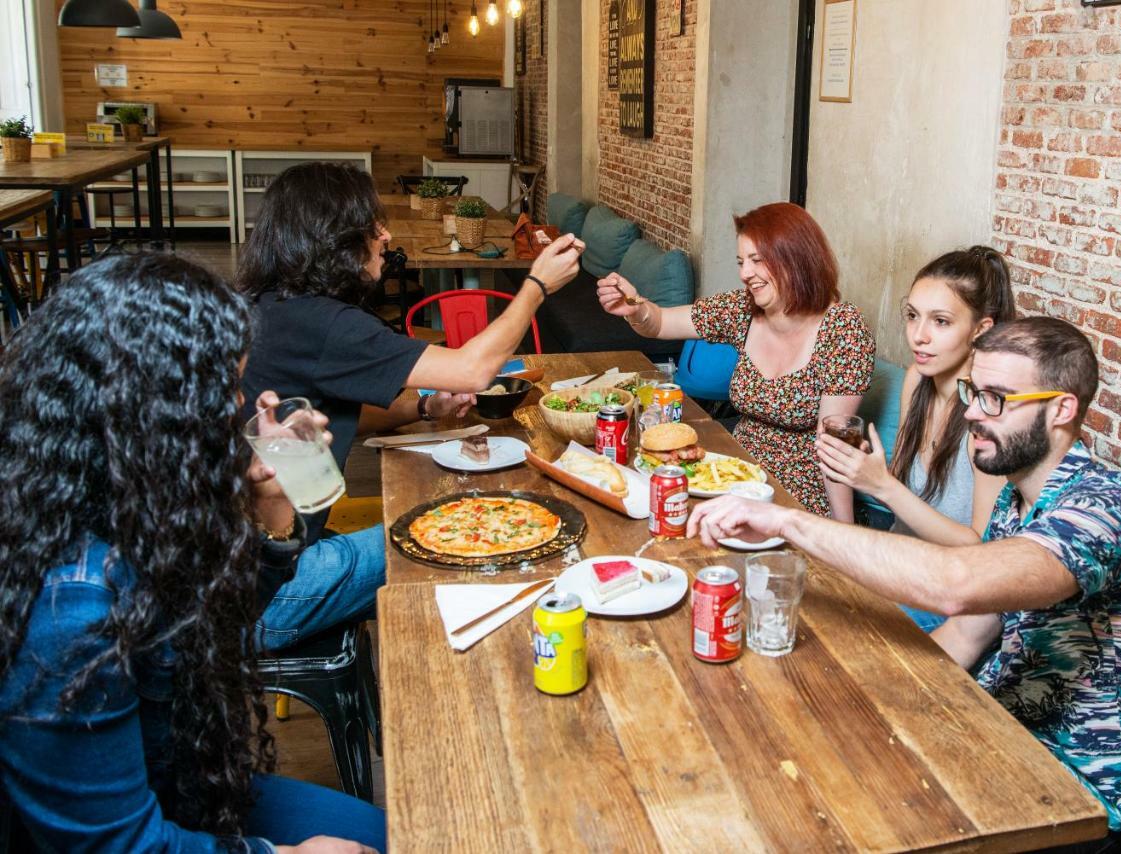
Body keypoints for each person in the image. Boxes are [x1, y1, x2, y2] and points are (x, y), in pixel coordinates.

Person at [689, 317, 1121, 848]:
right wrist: (863, 697)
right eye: (975, 392)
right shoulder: (1019, 501)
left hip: (1085, 786)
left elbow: (956, 584)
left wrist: (789, 521)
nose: (971, 412)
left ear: (1061, 409)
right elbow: (968, 632)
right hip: (1002, 730)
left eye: (996, 398)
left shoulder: (1108, 507)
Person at [0, 254, 383, 853]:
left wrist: (270, 511)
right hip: (146, 822)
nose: (239, 406)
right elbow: (116, 846)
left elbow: (208, 643)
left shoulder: (123, 498)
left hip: (183, 786)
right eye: (225, 388)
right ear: (154, 413)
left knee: (392, 832)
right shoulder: (69, 607)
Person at [237, 162, 584, 650]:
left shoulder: (277, 306)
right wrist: (537, 286)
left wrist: (420, 410)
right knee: (484, 541)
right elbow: (474, 369)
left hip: (251, 566)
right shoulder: (323, 323)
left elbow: (326, 419)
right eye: (371, 224)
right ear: (334, 237)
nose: (385, 234)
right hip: (271, 592)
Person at [597, 202, 875, 520]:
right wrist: (635, 307)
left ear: (797, 258)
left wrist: (843, 536)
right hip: (731, 473)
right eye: (742, 262)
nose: (745, 274)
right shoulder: (743, 308)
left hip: (795, 494)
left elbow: (834, 446)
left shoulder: (842, 327)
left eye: (757, 260)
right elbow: (660, 322)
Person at [817, 246, 1015, 631]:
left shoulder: (989, 415)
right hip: (899, 560)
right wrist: (861, 469)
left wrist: (883, 486)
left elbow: (979, 548)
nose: (919, 336)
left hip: (950, 590)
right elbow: (913, 494)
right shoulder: (917, 380)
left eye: (940, 321)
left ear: (981, 329)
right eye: (912, 316)